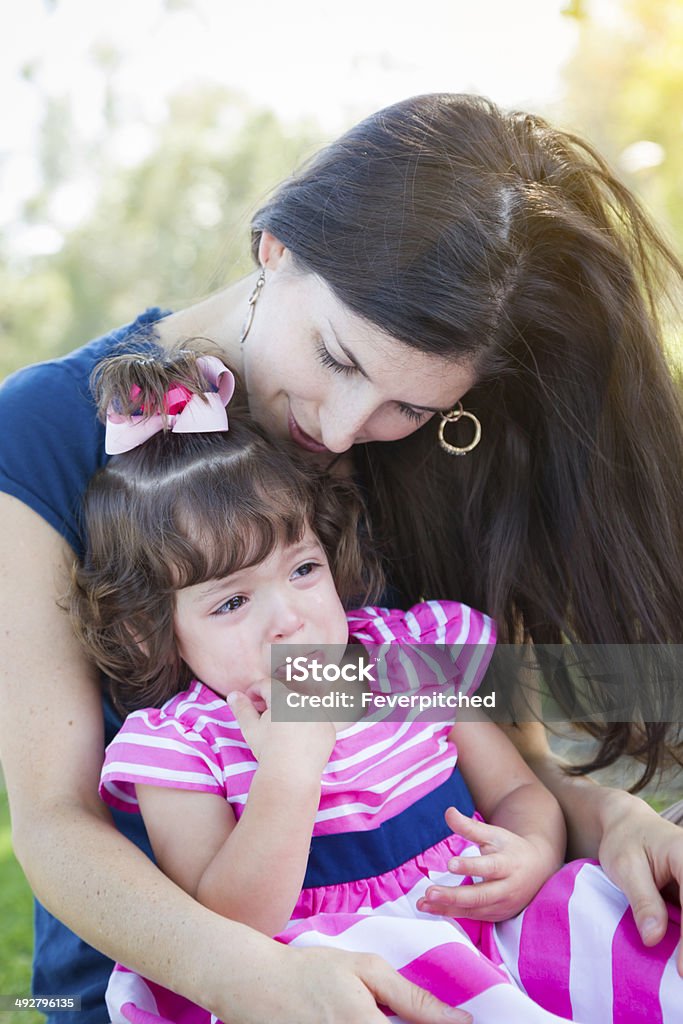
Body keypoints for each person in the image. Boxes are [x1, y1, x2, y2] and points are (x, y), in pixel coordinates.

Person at [0, 92, 681, 1022]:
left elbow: (478, 738)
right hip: (200, 971)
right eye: (338, 357)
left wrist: (606, 820)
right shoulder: (38, 432)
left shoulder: (419, 446)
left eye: (409, 407)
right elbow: (54, 820)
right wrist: (253, 977)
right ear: (276, 246)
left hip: (455, 930)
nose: (343, 431)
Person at [72, 347, 680, 1023]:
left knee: (637, 952)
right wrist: (290, 775)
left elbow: (512, 790)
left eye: (301, 570)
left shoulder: (403, 660)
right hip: (335, 980)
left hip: (494, 927)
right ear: (151, 633)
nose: (290, 618)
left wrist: (532, 854)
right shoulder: (183, 746)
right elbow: (228, 923)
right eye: (230, 604)